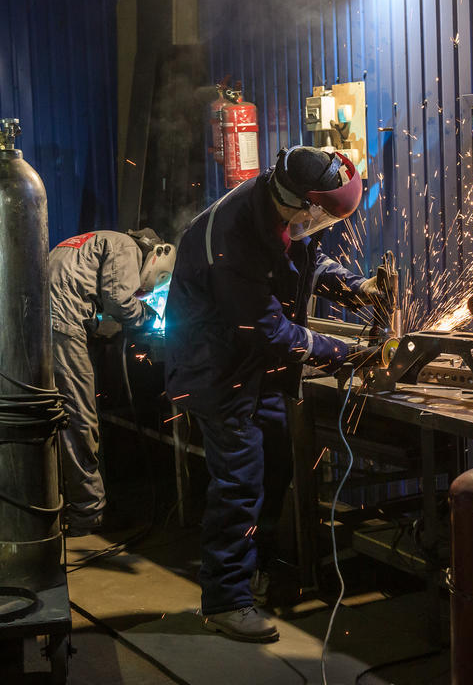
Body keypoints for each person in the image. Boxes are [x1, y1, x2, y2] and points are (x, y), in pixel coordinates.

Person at [164, 146, 383, 643]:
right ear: (304, 201)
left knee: (279, 457)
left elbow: (310, 262)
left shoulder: (284, 207)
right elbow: (266, 330)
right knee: (241, 479)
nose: (321, 223)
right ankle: (226, 598)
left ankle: (254, 566)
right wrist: (341, 350)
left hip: (251, 365)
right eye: (322, 214)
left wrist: (360, 288)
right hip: (215, 369)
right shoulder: (235, 236)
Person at [49, 228, 174, 535]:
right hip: (61, 325)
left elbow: (84, 291)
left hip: (40, 321)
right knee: (80, 417)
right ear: (154, 258)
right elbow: (119, 300)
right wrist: (147, 315)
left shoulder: (92, 240)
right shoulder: (125, 247)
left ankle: (63, 501)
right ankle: (87, 512)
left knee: (52, 413)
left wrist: (98, 325)